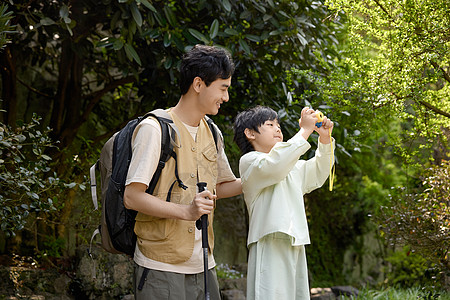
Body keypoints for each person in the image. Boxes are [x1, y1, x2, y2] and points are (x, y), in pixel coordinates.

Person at [124, 44, 242, 300]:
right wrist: (187, 212)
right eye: (223, 88)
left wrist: (265, 174)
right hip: (160, 266)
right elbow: (132, 197)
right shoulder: (154, 129)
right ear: (198, 84)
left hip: (205, 264)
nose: (226, 97)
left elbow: (220, 188)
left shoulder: (212, 132)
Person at [233, 105, 335, 300]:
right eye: (270, 124)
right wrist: (305, 130)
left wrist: (324, 139)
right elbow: (275, 166)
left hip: (295, 240)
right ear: (249, 133)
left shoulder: (292, 164)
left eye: (278, 124)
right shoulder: (250, 161)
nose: (278, 128)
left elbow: (319, 173)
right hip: (268, 240)